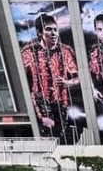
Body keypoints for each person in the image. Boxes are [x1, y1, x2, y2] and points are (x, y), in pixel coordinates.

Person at [21, 12, 81, 143]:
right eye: (48, 29)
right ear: (39, 32)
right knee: (48, 132)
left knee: (60, 135)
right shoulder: (29, 52)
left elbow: (78, 77)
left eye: (55, 29)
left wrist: (68, 82)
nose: (53, 33)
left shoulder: (65, 51)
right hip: (40, 100)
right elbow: (19, 76)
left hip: (61, 102)